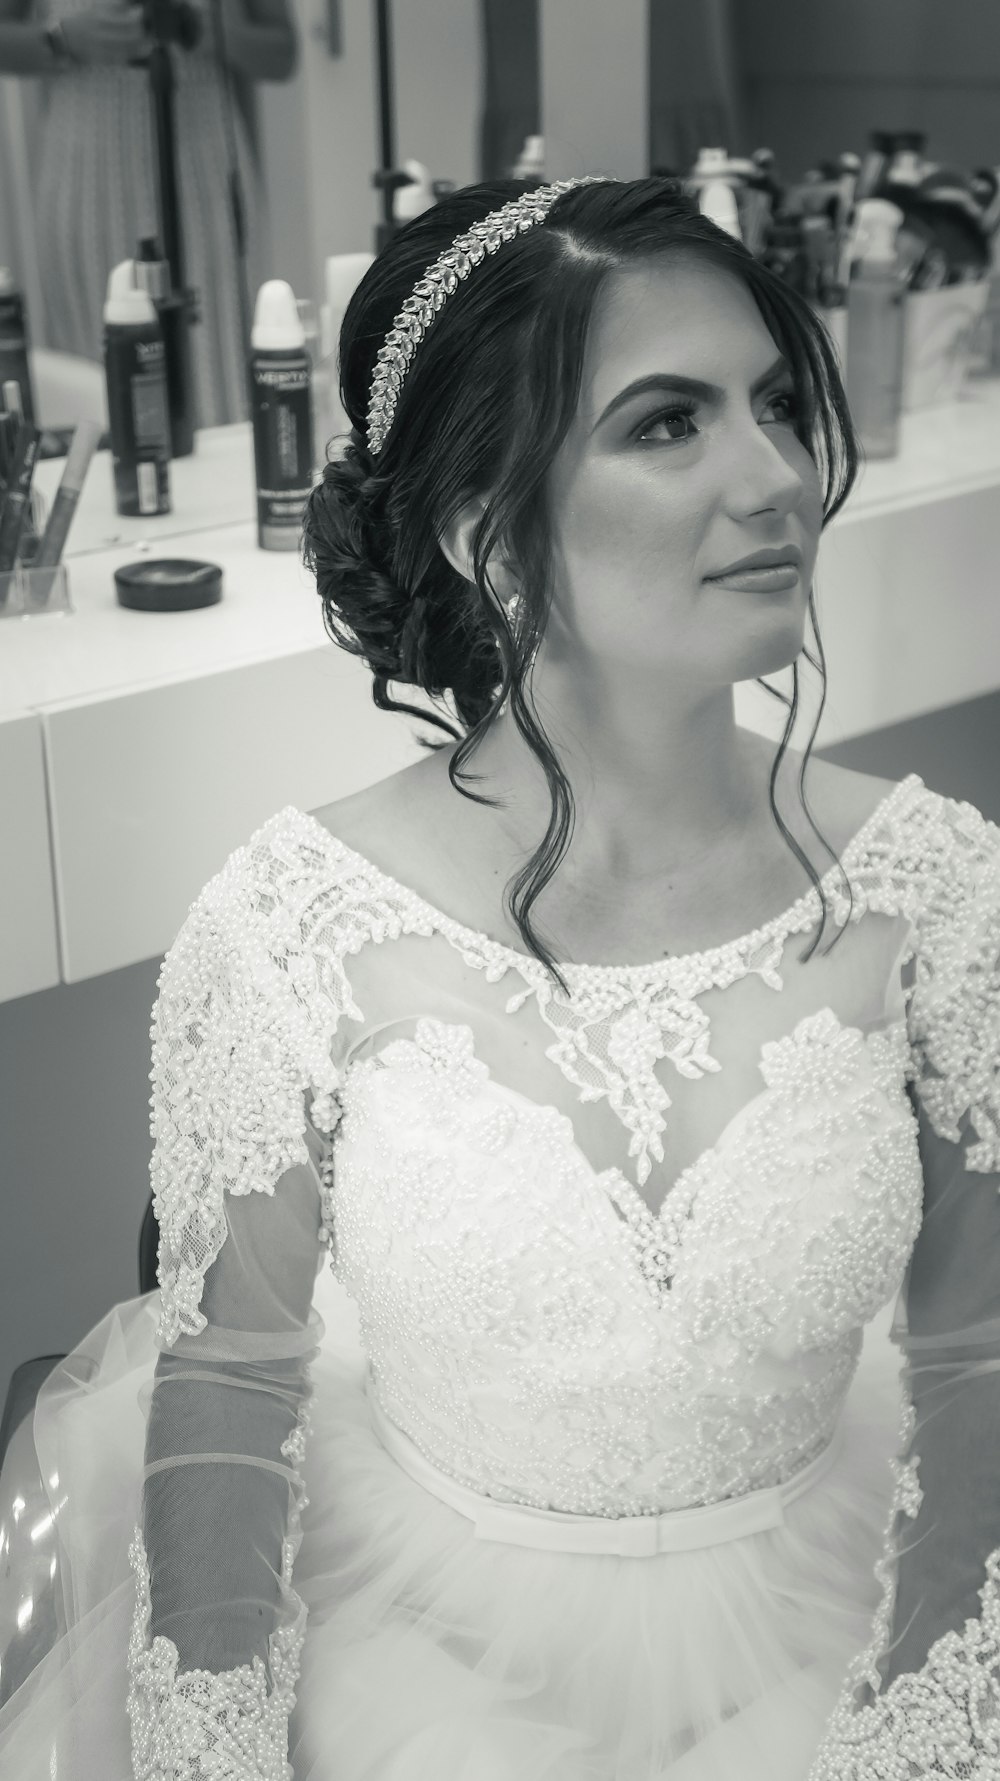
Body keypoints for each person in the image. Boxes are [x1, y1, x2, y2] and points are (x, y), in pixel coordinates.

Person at [0, 174, 998, 1778]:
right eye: (667, 425)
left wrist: (931, 1726)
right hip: (418, 1650)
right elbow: (235, 1385)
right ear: (485, 527)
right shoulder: (285, 926)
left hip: (840, 1613)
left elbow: (978, 1358)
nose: (777, 476)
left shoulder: (939, 890)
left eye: (775, 404)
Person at [0, 0, 296, 426]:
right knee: (98, 384)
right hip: (85, 184)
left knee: (221, 374)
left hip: (206, 178)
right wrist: (62, 38)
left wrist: (218, 32)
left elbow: (281, 51)